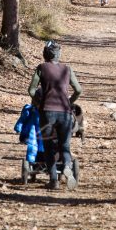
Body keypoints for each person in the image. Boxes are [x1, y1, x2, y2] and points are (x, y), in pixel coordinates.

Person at [28, 41, 82, 190]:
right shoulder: (67, 69)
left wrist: (39, 104)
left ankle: (53, 180)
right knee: (64, 145)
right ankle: (66, 166)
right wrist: (69, 102)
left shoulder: (41, 68)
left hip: (47, 113)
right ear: (58, 55)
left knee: (48, 147)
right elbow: (78, 90)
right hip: (65, 113)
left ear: (45, 54)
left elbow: (31, 90)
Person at [14, 90, 44, 164]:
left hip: (44, 134)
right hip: (31, 133)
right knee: (33, 147)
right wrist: (18, 128)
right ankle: (32, 161)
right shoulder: (29, 110)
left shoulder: (48, 112)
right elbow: (22, 119)